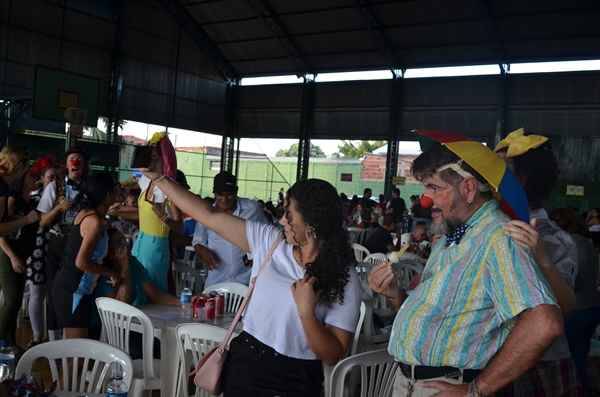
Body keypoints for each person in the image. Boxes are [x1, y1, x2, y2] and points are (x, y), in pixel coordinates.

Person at [142, 157, 361, 397]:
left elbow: (332, 354)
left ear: (313, 224)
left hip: (294, 376)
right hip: (244, 360)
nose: (282, 221)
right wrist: (160, 178)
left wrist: (306, 313)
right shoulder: (270, 240)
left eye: (289, 215)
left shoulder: (343, 275)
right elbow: (209, 216)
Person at [368, 132, 562, 397]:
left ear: (469, 188)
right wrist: (395, 295)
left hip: (446, 386)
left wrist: (474, 391)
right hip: (412, 383)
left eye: (434, 188)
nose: (425, 200)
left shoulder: (499, 238)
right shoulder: (450, 237)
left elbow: (544, 323)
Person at [495, 128, 581, 396]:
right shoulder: (492, 229)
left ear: (520, 180)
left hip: (537, 363)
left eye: (498, 170)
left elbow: (564, 308)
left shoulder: (552, 238)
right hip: (494, 361)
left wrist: (542, 258)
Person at [90, 229, 193, 359]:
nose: (126, 244)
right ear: (109, 251)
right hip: (103, 329)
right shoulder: (105, 272)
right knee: (140, 353)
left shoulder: (134, 264)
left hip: (125, 326)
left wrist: (187, 301)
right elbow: (120, 308)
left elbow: (155, 295)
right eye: (120, 242)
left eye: (125, 240)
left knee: (159, 346)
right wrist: (125, 269)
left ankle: (162, 379)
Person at [108, 132, 183, 305]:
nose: (151, 158)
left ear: (164, 158)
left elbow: (179, 226)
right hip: (140, 242)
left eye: (155, 155)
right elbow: (143, 215)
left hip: (157, 245)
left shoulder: (171, 187)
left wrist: (162, 215)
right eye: (149, 154)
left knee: (153, 292)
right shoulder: (145, 182)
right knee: (136, 286)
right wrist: (119, 210)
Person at [52, 172, 121, 339]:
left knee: (75, 354)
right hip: (73, 289)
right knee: (77, 356)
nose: (118, 192)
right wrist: (111, 272)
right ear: (108, 194)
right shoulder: (94, 221)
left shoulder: (89, 215)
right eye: (116, 189)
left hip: (73, 287)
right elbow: (81, 262)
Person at [37, 146, 91, 341]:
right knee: (54, 292)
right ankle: (53, 341)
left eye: (79, 160)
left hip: (81, 244)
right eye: (71, 159)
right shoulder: (54, 186)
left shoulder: (90, 188)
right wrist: (59, 207)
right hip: (58, 244)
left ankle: (73, 338)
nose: (75, 162)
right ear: (66, 165)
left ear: (84, 166)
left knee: (78, 290)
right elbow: (42, 221)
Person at [548, 206, 600, 390]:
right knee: (578, 358)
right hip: (592, 307)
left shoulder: (568, 244)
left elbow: (567, 284)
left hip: (575, 310)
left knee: (558, 358)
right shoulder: (587, 242)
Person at [192, 171, 268, 287]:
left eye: (228, 194)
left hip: (247, 279)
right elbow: (197, 242)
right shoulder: (206, 213)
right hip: (216, 279)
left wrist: (258, 253)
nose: (224, 199)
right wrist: (203, 251)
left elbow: (267, 235)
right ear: (214, 193)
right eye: (219, 195)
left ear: (236, 191)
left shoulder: (252, 209)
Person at [0, 145, 41, 355]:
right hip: (8, 254)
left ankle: (8, 343)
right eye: (27, 168)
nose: (30, 173)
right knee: (13, 299)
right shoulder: (7, 194)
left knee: (14, 301)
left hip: (18, 254)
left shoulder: (7, 191)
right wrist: (26, 220)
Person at [25, 156, 58, 347]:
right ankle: (37, 334)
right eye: (51, 177)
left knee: (54, 293)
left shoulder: (64, 197)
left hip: (55, 247)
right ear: (42, 178)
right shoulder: (33, 198)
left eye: (57, 177)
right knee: (36, 292)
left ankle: (56, 334)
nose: (54, 181)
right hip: (37, 247)